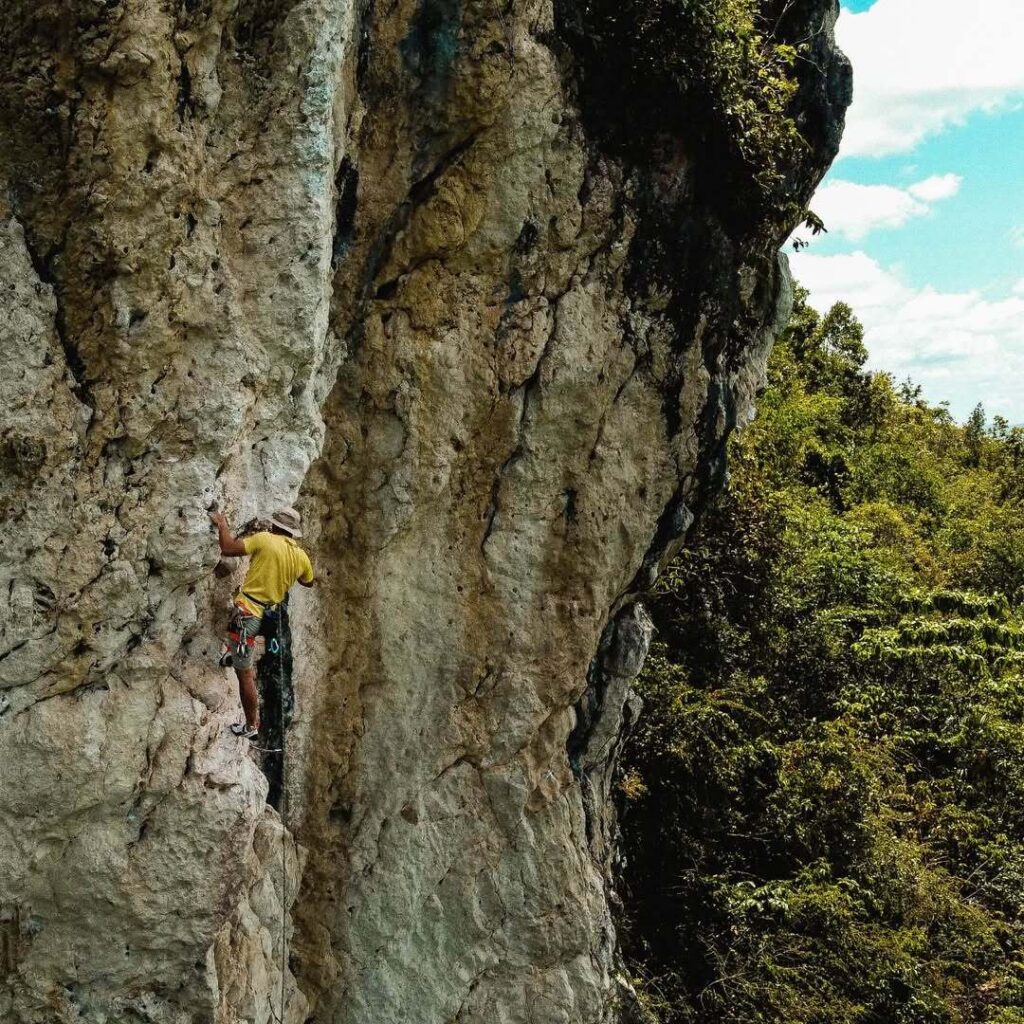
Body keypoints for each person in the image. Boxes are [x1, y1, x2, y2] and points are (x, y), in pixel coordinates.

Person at [209, 507, 314, 740]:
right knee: (240, 639)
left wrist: (222, 524)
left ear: (275, 526)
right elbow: (308, 582)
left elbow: (227, 547)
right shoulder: (301, 557)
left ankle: (250, 726)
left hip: (248, 613)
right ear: (293, 532)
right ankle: (233, 654)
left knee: (244, 674)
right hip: (269, 614)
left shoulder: (264, 539)